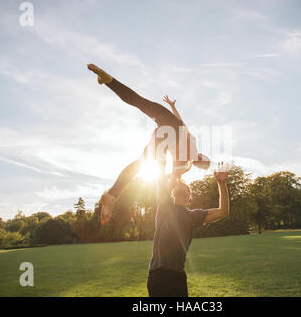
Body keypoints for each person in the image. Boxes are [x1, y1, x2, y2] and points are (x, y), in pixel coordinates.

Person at [87, 63, 210, 224]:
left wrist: (172, 107)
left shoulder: (191, 144)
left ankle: (109, 80)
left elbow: (181, 122)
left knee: (139, 102)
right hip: (168, 133)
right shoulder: (186, 164)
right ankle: (111, 196)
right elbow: (172, 177)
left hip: (168, 124)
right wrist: (168, 194)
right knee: (147, 165)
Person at [147, 160, 230, 297]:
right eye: (176, 186)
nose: (179, 186)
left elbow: (223, 211)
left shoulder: (193, 215)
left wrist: (221, 183)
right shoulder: (164, 208)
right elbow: (161, 182)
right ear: (172, 194)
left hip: (178, 276)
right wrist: (175, 174)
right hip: (159, 274)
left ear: (189, 195)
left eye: (184, 186)